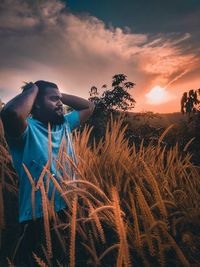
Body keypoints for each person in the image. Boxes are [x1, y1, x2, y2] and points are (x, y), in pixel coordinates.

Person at [0, 80, 95, 266]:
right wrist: (34, 88)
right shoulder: (26, 131)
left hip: (67, 207)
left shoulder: (64, 124)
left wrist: (57, 95)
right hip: (37, 216)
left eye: (59, 100)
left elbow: (89, 106)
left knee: (64, 259)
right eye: (53, 100)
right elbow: (11, 113)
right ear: (35, 102)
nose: (60, 103)